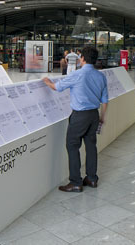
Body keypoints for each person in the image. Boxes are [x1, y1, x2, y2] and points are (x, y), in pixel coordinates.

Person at [42, 47, 108, 192]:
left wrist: (46, 81)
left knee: (72, 146)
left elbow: (56, 87)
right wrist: (102, 118)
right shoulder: (101, 76)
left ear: (82, 58)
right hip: (94, 115)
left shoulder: (77, 74)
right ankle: (91, 179)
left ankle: (75, 182)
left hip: (80, 116)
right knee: (91, 146)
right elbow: (105, 100)